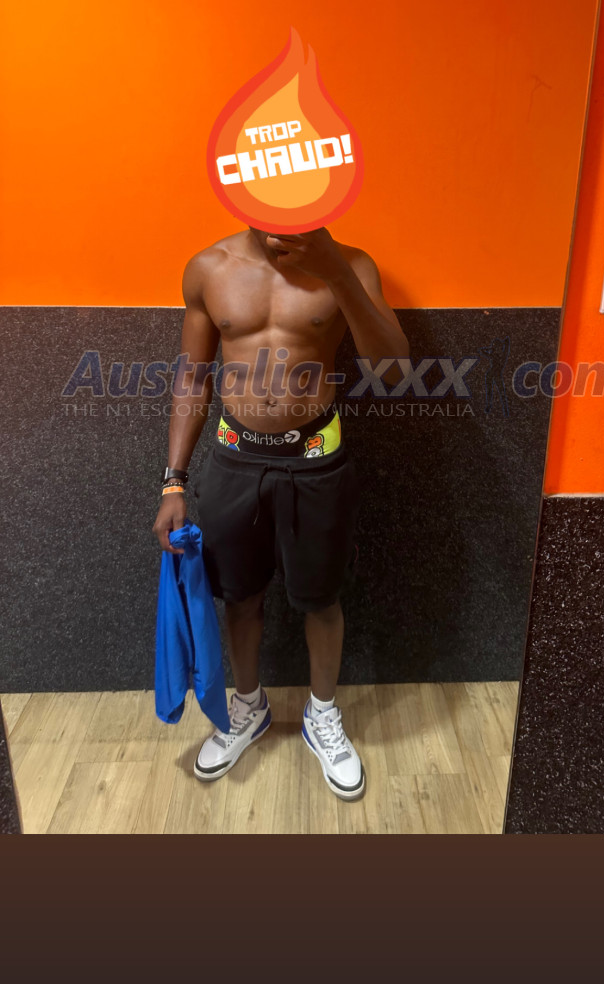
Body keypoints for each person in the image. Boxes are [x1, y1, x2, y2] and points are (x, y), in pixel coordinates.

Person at [152, 225, 408, 801]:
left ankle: (323, 714)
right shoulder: (209, 267)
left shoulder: (352, 263)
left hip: (316, 460)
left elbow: (393, 370)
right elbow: (192, 376)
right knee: (239, 596)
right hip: (235, 458)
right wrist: (173, 481)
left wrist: (335, 272)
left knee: (322, 599)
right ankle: (248, 707)